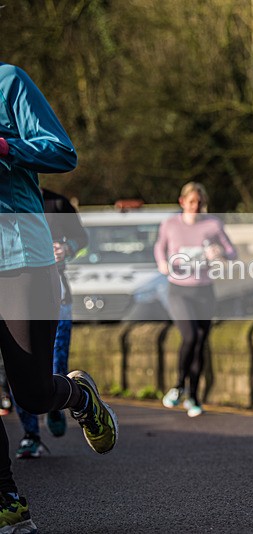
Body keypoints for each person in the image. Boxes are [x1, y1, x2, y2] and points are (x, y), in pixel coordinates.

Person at [0, 62, 118, 530]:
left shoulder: (8, 81)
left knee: (30, 392)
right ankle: (7, 497)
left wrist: (7, 146)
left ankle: (78, 395)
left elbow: (62, 152)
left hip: (21, 259)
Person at [13, 188, 88, 459]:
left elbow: (82, 237)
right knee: (18, 368)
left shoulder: (56, 202)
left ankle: (56, 404)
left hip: (57, 296)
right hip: (14, 297)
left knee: (56, 364)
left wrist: (68, 248)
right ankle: (31, 436)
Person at [155, 182, 237, 418]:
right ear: (182, 202)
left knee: (201, 341)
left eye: (199, 203)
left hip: (204, 290)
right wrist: (162, 263)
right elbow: (159, 247)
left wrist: (219, 253)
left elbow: (232, 252)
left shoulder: (212, 224)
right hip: (179, 289)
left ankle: (194, 396)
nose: (196, 207)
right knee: (190, 336)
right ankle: (179, 385)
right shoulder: (170, 224)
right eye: (191, 202)